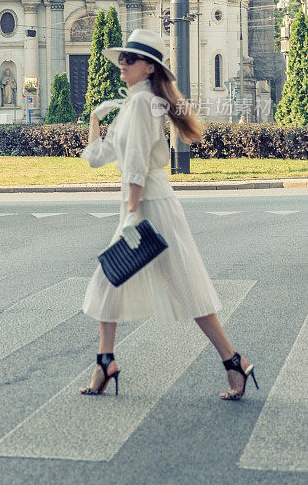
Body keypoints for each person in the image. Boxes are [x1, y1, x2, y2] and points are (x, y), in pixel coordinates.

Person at [79, 29, 259, 401]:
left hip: (150, 205)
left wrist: (131, 212)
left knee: (185, 285)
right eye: (123, 58)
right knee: (109, 283)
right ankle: (105, 362)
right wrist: (97, 120)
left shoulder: (145, 106)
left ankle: (233, 361)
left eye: (131, 59)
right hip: (138, 205)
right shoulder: (132, 104)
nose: (123, 64)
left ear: (148, 68)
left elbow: (137, 163)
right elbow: (99, 157)